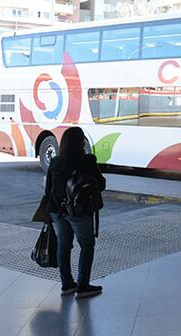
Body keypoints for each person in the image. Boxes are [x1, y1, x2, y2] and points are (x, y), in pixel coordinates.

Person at [44, 127, 106, 298]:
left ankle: (67, 284)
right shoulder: (87, 161)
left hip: (58, 210)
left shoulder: (55, 162)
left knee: (64, 245)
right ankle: (83, 285)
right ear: (81, 142)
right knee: (87, 245)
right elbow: (101, 184)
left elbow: (48, 189)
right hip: (79, 212)